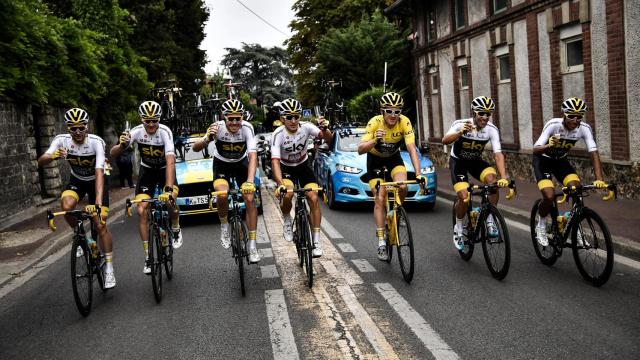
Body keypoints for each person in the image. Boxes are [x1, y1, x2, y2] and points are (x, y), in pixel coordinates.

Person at [37, 108, 116, 288]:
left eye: (81, 128)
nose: (78, 132)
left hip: (98, 179)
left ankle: (109, 268)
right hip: (78, 180)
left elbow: (99, 172)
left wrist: (96, 203)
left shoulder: (96, 142)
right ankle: (83, 238)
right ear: (68, 128)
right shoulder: (61, 140)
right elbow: (41, 161)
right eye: (73, 129)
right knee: (66, 207)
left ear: (86, 127)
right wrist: (52, 156)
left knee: (100, 222)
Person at [110, 100, 182, 275]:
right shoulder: (135, 132)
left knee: (170, 201)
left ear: (159, 119)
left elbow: (171, 161)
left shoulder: (165, 132)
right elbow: (112, 153)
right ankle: (148, 256)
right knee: (142, 210)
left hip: (165, 170)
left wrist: (168, 188)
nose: (151, 124)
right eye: (147, 121)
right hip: (147, 172)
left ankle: (175, 225)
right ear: (142, 120)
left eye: (154, 120)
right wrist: (122, 145)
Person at [192, 99, 261, 263]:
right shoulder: (216, 128)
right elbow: (195, 148)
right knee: (222, 196)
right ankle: (224, 226)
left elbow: (252, 156)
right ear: (224, 117)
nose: (235, 122)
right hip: (221, 164)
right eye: (231, 119)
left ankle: (252, 245)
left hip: (241, 163)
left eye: (238, 118)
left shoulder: (247, 128)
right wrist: (208, 138)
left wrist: (250, 181)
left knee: (250, 199)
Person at [357, 92, 424, 261]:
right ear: (382, 111)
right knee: (380, 197)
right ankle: (381, 242)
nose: (393, 115)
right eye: (389, 111)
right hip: (375, 161)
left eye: (397, 111)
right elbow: (360, 149)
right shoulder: (374, 123)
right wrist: (374, 140)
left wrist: (418, 173)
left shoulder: (405, 122)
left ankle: (397, 212)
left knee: (402, 186)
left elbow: (411, 148)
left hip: (394, 158)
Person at [532, 97, 607, 246]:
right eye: (571, 115)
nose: (575, 119)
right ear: (564, 114)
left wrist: (599, 179)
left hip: (561, 161)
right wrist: (548, 145)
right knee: (549, 195)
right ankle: (540, 224)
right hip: (543, 161)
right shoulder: (553, 125)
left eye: (579, 116)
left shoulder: (584, 128)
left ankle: (575, 226)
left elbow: (593, 152)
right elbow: (536, 148)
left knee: (576, 189)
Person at [441, 96, 509, 250]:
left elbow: (498, 154)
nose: (484, 117)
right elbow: (445, 140)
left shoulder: (492, 129)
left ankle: (490, 220)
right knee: (464, 198)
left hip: (475, 162)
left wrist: (504, 177)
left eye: (488, 114)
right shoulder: (460, 124)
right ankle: (458, 228)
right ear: (473, 112)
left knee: (493, 182)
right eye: (481, 114)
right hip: (458, 162)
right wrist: (460, 133)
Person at [271, 98, 332, 257]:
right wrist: (280, 184)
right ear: (282, 118)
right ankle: (286, 218)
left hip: (303, 166)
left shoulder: (306, 127)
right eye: (289, 117)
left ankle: (317, 240)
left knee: (312, 196)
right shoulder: (278, 134)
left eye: (296, 116)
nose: (293, 120)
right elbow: (275, 162)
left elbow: (327, 138)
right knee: (288, 193)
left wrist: (325, 129)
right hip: (286, 168)